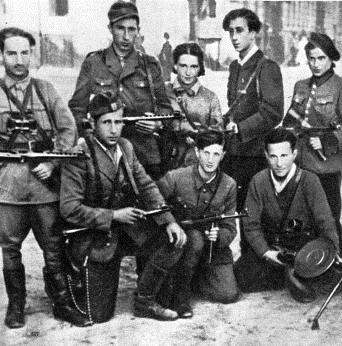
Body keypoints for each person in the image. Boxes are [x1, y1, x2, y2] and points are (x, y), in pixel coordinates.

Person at [60, 93, 187, 323]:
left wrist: (168, 220)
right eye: (106, 122)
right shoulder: (78, 154)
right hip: (96, 236)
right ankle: (73, 276)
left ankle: (145, 300)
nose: (113, 130)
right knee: (99, 316)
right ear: (92, 124)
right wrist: (114, 216)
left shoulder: (126, 147)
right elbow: (69, 208)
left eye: (118, 122)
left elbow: (146, 185)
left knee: (173, 239)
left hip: (127, 229)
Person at [0, 27, 89, 328]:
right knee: (10, 249)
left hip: (43, 187)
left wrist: (52, 162)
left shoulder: (45, 90)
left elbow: (68, 128)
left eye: (25, 52)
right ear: (2, 55)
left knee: (53, 246)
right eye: (12, 52)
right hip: (8, 187)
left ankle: (63, 303)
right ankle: (16, 307)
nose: (19, 59)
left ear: (32, 54)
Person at [68, 1, 173, 180]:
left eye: (132, 29)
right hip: (103, 155)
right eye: (120, 28)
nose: (126, 36)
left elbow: (165, 107)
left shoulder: (149, 65)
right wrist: (90, 136)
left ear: (138, 30)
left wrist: (157, 124)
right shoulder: (93, 63)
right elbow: (77, 109)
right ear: (110, 28)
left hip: (143, 153)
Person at [234, 128, 339, 301]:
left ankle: (296, 272)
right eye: (273, 156)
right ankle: (291, 274)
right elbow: (251, 224)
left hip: (304, 244)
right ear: (266, 156)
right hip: (274, 246)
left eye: (284, 156)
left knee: (330, 278)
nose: (279, 163)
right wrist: (266, 253)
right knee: (243, 278)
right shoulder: (258, 181)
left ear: (294, 154)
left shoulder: (309, 180)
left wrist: (329, 254)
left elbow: (325, 220)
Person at [283, 32, 342, 265]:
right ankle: (310, 266)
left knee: (328, 218)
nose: (316, 64)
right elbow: (291, 120)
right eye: (312, 59)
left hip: (327, 164)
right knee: (301, 217)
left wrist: (327, 141)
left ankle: (338, 267)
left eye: (321, 58)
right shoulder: (301, 86)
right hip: (302, 163)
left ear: (331, 59)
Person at [158, 130, 238, 318]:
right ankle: (180, 296)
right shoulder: (176, 177)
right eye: (206, 153)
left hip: (212, 249)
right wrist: (170, 223)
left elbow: (230, 226)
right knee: (194, 239)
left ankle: (195, 279)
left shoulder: (229, 184)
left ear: (223, 155)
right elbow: (154, 203)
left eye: (216, 154)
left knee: (227, 294)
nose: (211, 160)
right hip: (180, 245)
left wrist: (219, 236)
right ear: (197, 152)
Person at [222, 8, 284, 213]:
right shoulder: (235, 66)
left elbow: (273, 112)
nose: (234, 37)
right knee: (235, 212)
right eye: (230, 31)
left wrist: (240, 128)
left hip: (255, 156)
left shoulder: (266, 67)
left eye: (239, 31)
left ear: (252, 33)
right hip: (234, 153)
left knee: (254, 216)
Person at [163, 42, 223, 170]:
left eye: (194, 66)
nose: (188, 72)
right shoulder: (163, 92)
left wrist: (199, 137)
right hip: (166, 164)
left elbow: (217, 136)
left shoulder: (210, 98)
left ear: (200, 68)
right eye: (183, 66)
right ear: (175, 66)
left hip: (197, 166)